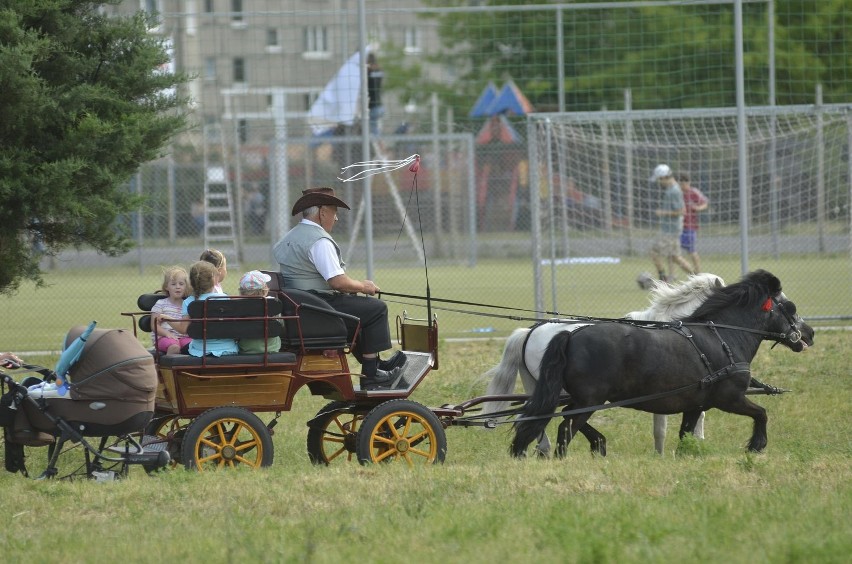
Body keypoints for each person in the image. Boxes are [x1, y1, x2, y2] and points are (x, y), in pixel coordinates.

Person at [272, 187, 405, 390]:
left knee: (359, 310)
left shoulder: (289, 238)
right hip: (319, 308)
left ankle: (375, 364)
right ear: (322, 212)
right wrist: (364, 286)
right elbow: (337, 282)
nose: (336, 219)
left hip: (301, 308)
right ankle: (371, 374)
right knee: (375, 308)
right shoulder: (319, 241)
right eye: (334, 212)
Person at [171, 261, 238, 357]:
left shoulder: (189, 302)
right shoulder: (225, 298)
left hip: (200, 350)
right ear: (214, 280)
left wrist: (167, 319)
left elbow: (183, 329)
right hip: (228, 348)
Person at [649, 164, 694, 282]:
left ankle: (662, 279)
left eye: (659, 179)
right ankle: (698, 278)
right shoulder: (671, 189)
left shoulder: (673, 191)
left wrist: (663, 212)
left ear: (664, 177)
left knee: (654, 252)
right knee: (675, 257)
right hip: (672, 229)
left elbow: (681, 211)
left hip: (670, 230)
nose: (659, 182)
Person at [237, 270, 282, 354]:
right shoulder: (273, 304)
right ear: (265, 290)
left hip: (246, 349)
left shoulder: (238, 306)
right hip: (272, 349)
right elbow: (280, 324)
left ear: (241, 291)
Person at [150, 266, 192, 355]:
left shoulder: (188, 304)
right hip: (164, 337)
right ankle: (169, 369)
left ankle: (189, 369)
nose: (178, 287)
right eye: (173, 284)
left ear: (186, 286)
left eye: (181, 284)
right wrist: (166, 333)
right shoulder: (161, 303)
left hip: (183, 337)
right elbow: (154, 325)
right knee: (174, 347)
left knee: (194, 347)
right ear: (166, 287)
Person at [678, 173, 709, 273]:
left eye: (684, 184)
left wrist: (698, 208)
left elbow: (705, 203)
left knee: (691, 251)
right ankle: (672, 275)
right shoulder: (677, 193)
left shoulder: (694, 192)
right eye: (681, 184)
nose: (683, 186)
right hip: (677, 227)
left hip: (690, 227)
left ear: (688, 183)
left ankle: (698, 273)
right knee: (672, 253)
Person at [367, 53, 384, 138]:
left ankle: (378, 144)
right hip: (380, 105)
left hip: (373, 106)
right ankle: (380, 145)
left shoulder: (368, 74)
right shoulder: (379, 72)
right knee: (376, 128)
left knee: (373, 130)